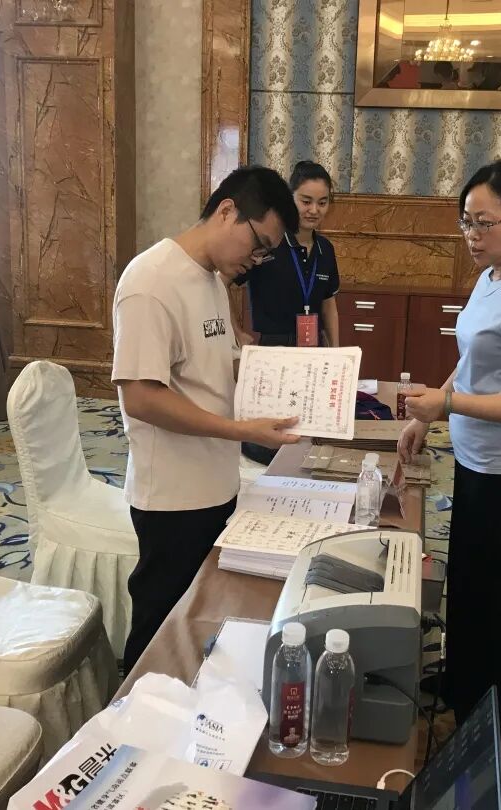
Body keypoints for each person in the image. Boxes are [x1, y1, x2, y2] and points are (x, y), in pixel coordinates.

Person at [397, 160, 501, 767]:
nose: (472, 234)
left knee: (500, 602)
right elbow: (470, 363)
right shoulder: (493, 275)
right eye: (465, 221)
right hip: (478, 462)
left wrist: (446, 405)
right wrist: (428, 415)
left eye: (484, 222)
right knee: (468, 588)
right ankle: (465, 691)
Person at [112, 165, 303, 674]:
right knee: (159, 627)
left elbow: (217, 368)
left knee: (198, 618)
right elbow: (142, 398)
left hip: (215, 482)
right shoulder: (151, 281)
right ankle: (132, 708)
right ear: (226, 211)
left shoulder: (212, 280)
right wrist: (241, 431)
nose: (255, 260)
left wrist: (289, 378)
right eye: (258, 244)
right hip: (173, 496)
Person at [230, 160, 341, 350]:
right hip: (273, 349)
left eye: (322, 203)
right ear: (290, 199)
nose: (314, 210)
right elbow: (222, 281)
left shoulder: (325, 249)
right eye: (306, 202)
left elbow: (328, 304)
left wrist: (336, 351)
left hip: (315, 349)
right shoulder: (268, 241)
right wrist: (236, 332)